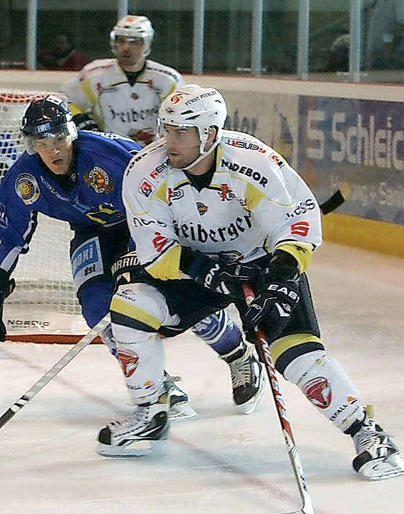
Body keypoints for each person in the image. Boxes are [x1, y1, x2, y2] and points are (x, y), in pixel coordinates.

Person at [98, 83, 404, 482]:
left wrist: (282, 278)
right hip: (193, 267)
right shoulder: (145, 171)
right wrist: (208, 271)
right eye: (166, 130)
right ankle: (151, 410)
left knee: (294, 353)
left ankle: (367, 431)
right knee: (130, 304)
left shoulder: (253, 161)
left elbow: (297, 220)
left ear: (209, 133)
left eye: (180, 133)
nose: (168, 141)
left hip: (260, 265)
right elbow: (155, 248)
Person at [0, 94, 266, 421]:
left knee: (172, 295)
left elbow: (161, 194)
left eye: (58, 139)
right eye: (42, 143)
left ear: (71, 133)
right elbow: (8, 235)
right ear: (31, 145)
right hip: (91, 231)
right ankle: (156, 385)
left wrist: (141, 251)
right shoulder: (23, 179)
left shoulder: (109, 156)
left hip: (145, 219)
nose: (53, 151)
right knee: (97, 307)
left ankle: (238, 355)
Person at [64, 14, 183, 146]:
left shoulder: (168, 79)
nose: (126, 47)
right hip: (109, 149)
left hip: (154, 151)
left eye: (134, 41)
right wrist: (83, 122)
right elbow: (67, 103)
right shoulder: (93, 75)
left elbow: (183, 116)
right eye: (121, 41)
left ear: (147, 43)